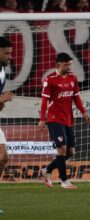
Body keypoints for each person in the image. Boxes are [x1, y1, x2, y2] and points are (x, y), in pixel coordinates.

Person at [38, 52, 90, 189]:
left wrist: (84, 112)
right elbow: (44, 101)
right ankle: (64, 181)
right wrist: (42, 119)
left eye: (70, 64)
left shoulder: (73, 77)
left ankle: (46, 171)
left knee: (70, 152)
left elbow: (76, 98)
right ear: (59, 64)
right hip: (54, 119)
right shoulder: (50, 80)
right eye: (66, 64)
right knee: (61, 149)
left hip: (68, 119)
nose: (69, 66)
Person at [0, 37, 15, 179]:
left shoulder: (2, 72)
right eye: (6, 53)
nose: (10, 57)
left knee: (3, 158)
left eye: (10, 53)